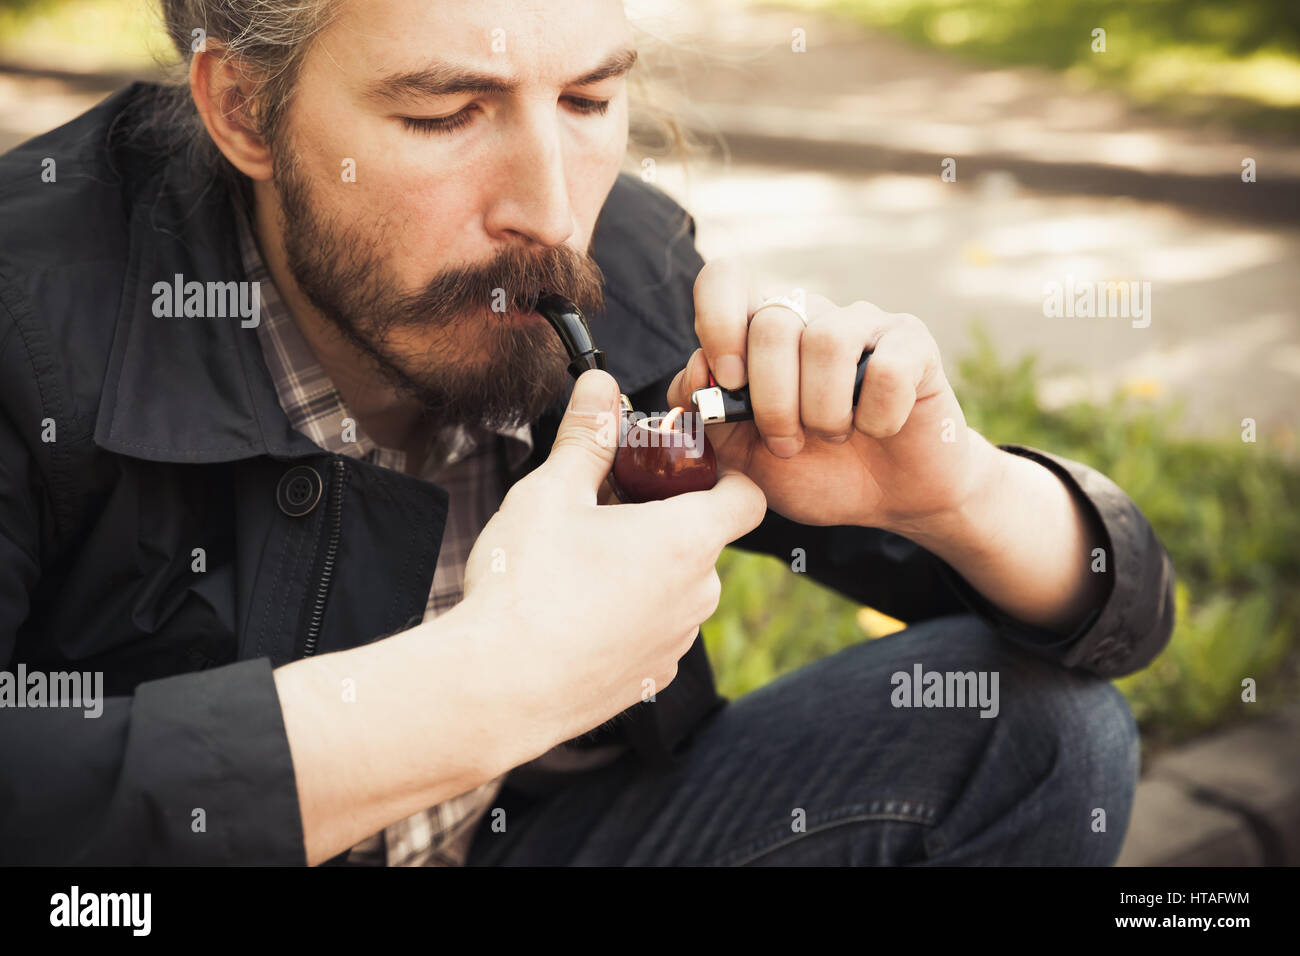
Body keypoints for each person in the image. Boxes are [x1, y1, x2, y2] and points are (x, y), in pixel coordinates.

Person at [0, 0, 1173, 867]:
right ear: (243, 109)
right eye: (444, 112)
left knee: (1043, 734)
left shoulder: (625, 265)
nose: (554, 215)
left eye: (588, 100)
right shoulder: (28, 317)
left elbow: (1108, 623)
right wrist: (487, 687)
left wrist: (952, 494)